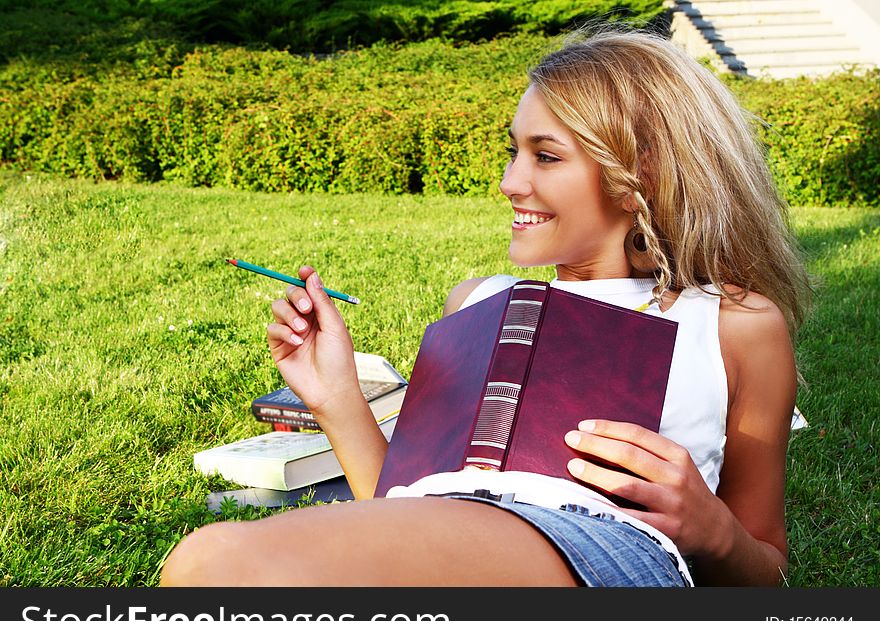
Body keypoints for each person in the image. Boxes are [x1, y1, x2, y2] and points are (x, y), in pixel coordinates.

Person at [159, 25, 812, 587]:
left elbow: (765, 566)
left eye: (545, 155)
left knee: (216, 562)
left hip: (601, 545)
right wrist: (335, 398)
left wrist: (712, 528)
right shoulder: (479, 303)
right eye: (512, 150)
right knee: (206, 565)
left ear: (641, 172)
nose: (508, 182)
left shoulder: (729, 321)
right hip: (452, 525)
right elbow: (403, 506)